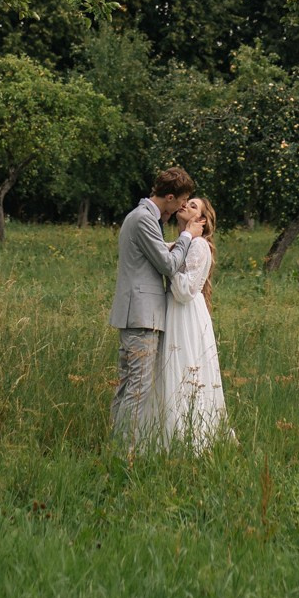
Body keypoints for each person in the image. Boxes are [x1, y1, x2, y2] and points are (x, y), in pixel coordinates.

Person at [109, 166, 196, 446]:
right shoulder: (144, 219)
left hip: (136, 314)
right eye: (182, 201)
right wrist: (187, 236)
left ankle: (116, 447)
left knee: (127, 386)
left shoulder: (143, 217)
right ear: (170, 197)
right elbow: (168, 265)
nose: (182, 206)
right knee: (138, 390)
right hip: (142, 316)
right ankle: (126, 453)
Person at [155, 195, 231, 451]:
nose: (186, 205)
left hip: (185, 312)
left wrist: (169, 268)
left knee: (185, 367)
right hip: (176, 310)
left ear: (201, 220)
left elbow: (185, 290)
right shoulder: (184, 242)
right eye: (187, 202)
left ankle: (190, 437)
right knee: (173, 368)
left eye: (193, 206)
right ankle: (168, 433)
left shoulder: (198, 245)